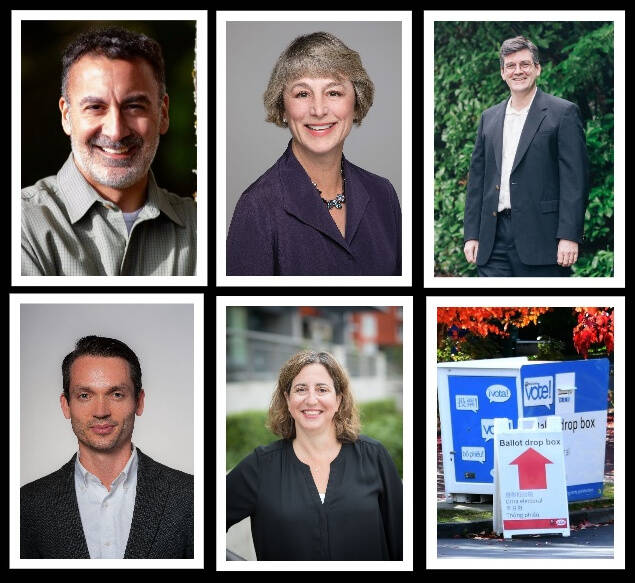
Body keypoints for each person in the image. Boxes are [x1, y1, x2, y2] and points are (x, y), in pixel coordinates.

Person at [21, 27, 196, 276]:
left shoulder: (203, 226)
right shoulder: (23, 223)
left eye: (134, 106)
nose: (116, 132)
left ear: (163, 113)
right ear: (67, 116)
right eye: (95, 107)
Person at [226, 32, 401, 276]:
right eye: (302, 94)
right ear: (283, 107)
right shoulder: (257, 207)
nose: (318, 110)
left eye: (333, 92)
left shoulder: (384, 195)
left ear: (356, 102)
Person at [20, 336, 193, 559]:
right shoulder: (26, 506)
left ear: (139, 402)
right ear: (66, 406)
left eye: (116, 394)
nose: (101, 411)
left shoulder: (192, 497)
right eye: (85, 395)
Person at [226, 350, 402, 561]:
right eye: (300, 389)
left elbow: (403, 541)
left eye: (322, 389)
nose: (311, 400)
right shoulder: (260, 467)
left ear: (338, 399)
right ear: (287, 399)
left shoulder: (373, 457)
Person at [463, 35, 589, 277]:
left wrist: (569, 236)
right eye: (510, 66)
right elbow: (477, 182)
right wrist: (472, 234)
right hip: (493, 242)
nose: (517, 71)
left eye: (524, 64)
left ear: (537, 69)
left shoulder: (563, 113)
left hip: (543, 239)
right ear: (502, 72)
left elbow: (576, 182)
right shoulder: (488, 118)